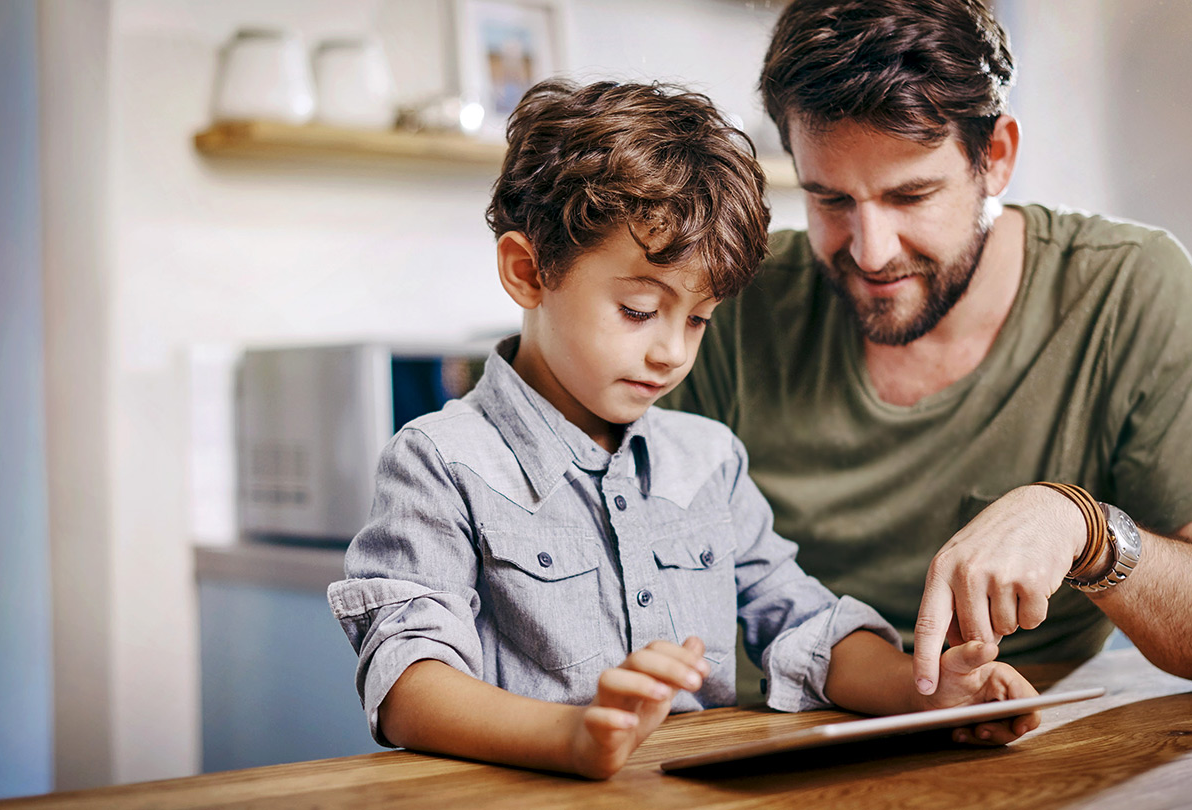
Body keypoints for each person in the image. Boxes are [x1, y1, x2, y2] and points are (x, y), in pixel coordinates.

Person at [327, 79, 1039, 781]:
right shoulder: (441, 461)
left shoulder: (707, 461)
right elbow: (407, 682)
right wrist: (569, 737)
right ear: (527, 271)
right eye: (639, 310)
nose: (671, 351)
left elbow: (799, 621)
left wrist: (927, 694)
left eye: (698, 319)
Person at [664, 0, 1192, 697]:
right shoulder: (733, 298)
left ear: (996, 157)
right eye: (830, 200)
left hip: (1017, 741)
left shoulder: (1127, 289)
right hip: (767, 736)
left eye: (911, 196)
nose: (870, 252)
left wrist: (1086, 531)